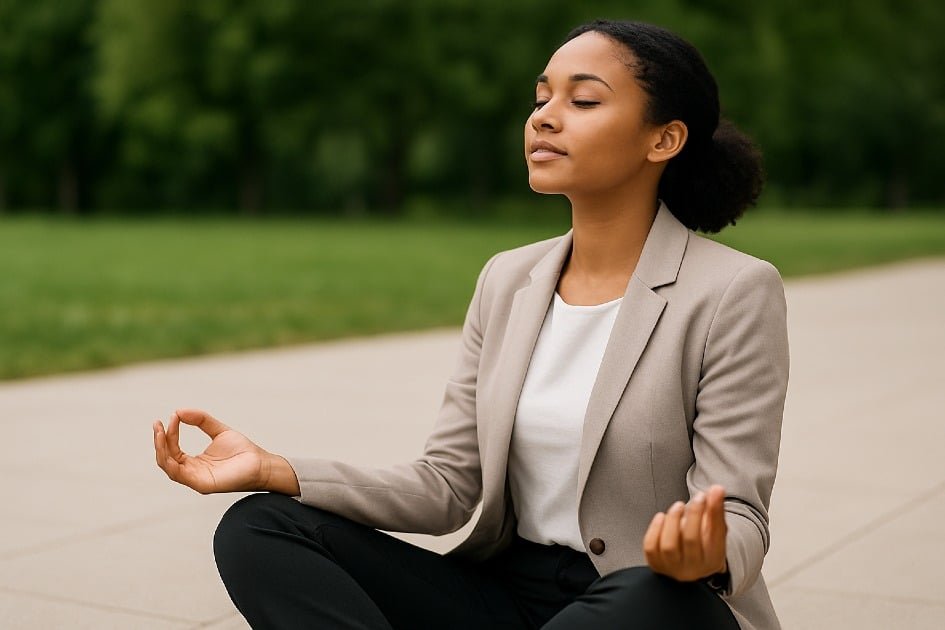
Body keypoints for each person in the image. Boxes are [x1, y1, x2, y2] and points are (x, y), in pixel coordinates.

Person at [153, 19, 788, 630]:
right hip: (510, 594)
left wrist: (700, 553)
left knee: (646, 593)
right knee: (258, 528)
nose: (543, 116)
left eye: (584, 100)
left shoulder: (732, 290)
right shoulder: (508, 280)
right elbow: (449, 484)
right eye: (541, 98)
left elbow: (740, 517)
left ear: (664, 139)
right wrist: (274, 470)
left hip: (651, 601)